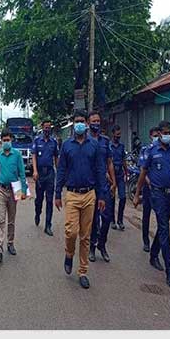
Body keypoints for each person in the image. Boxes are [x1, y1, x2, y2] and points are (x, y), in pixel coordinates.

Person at [133, 120, 170, 288]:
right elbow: (143, 174)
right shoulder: (151, 151)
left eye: (169, 132)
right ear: (158, 133)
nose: (167, 135)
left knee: (162, 226)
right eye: (164, 132)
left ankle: (153, 254)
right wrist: (137, 195)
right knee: (164, 227)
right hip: (156, 193)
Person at [55, 110, 108, 289]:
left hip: (90, 195)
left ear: (86, 123)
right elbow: (61, 170)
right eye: (76, 121)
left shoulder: (94, 145)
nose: (79, 124)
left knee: (85, 236)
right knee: (71, 232)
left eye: (81, 121)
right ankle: (69, 254)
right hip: (71, 194)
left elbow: (101, 171)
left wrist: (102, 195)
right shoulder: (67, 146)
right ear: (73, 123)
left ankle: (83, 271)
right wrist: (57, 194)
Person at [0, 130, 28, 263]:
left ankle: (10, 243)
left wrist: (24, 190)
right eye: (4, 140)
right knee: (1, 219)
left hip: (14, 189)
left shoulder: (17, 155)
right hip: (1, 189)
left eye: (8, 140)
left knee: (11, 219)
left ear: (11, 140)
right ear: (1, 141)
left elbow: (22, 173)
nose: (6, 142)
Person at [87, 111, 116, 263]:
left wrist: (113, 181)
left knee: (107, 217)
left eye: (98, 121)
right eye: (94, 121)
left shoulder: (105, 141)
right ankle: (92, 246)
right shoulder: (84, 140)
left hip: (104, 185)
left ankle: (102, 245)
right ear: (88, 123)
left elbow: (109, 162)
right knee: (93, 218)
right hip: (91, 185)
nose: (96, 123)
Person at [32, 120, 59, 236]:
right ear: (42, 128)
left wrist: (59, 173)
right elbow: (33, 156)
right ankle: (37, 213)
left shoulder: (54, 142)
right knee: (39, 199)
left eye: (49, 127)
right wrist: (35, 171)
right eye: (45, 127)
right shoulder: (37, 141)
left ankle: (48, 225)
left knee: (49, 200)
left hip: (50, 174)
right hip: (40, 174)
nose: (47, 129)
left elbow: (56, 158)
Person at [137, 126, 160, 252]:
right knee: (146, 215)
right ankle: (146, 241)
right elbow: (142, 169)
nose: (157, 137)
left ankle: (162, 243)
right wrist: (149, 183)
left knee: (161, 218)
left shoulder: (163, 150)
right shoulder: (146, 150)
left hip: (159, 189)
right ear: (150, 136)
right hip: (148, 188)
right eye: (155, 135)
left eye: (158, 135)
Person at [108, 125, 127, 231]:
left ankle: (120, 219)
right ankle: (112, 220)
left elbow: (123, 159)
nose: (118, 137)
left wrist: (126, 171)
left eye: (119, 135)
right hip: (111, 175)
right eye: (117, 135)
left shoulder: (121, 146)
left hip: (120, 174)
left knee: (123, 197)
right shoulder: (109, 146)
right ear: (113, 134)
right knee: (111, 198)